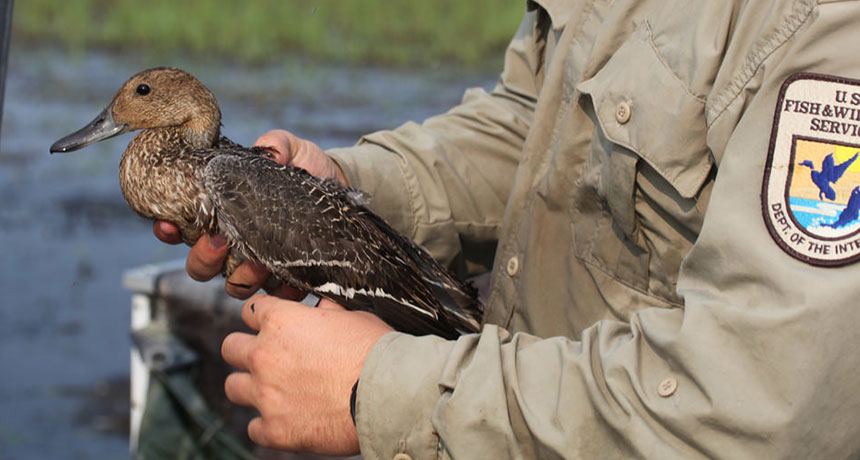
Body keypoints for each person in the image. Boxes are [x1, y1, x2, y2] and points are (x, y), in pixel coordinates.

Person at [155, 1, 860, 457]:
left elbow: (760, 405)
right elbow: (537, 119)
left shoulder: (827, 30)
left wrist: (380, 387)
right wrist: (329, 200)